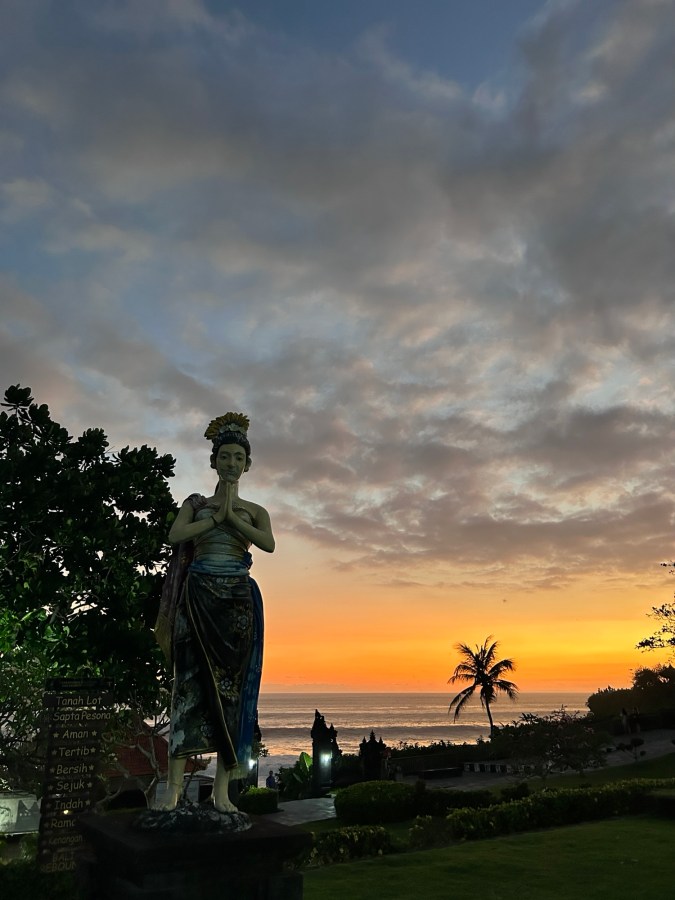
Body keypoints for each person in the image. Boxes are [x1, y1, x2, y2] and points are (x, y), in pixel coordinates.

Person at [156, 413, 275, 812]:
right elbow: (175, 535)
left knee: (231, 694)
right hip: (198, 595)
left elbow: (268, 545)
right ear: (213, 460)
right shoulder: (195, 504)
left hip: (236, 603)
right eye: (224, 456)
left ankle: (222, 792)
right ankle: (172, 790)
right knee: (186, 688)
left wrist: (230, 516)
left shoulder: (254, 510)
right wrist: (215, 519)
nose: (230, 463)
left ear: (247, 464)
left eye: (238, 457)